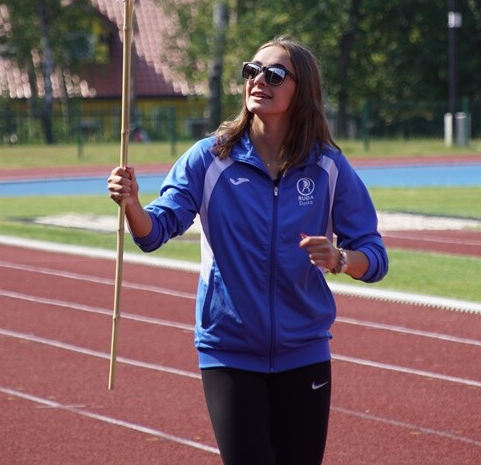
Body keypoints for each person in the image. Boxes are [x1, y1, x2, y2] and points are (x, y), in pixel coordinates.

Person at [107, 36, 388, 464]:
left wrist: (342, 259)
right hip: (229, 352)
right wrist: (131, 205)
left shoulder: (328, 165)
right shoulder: (209, 159)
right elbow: (154, 232)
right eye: (251, 71)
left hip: (305, 351)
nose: (259, 80)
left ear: (303, 91)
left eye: (274, 74)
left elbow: (375, 256)